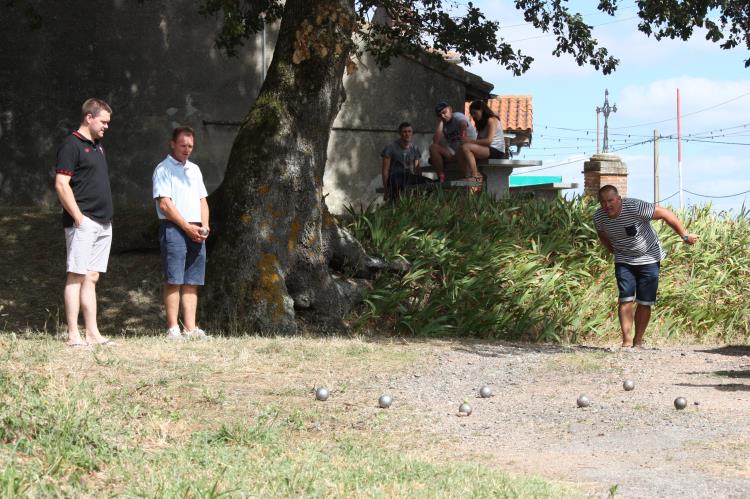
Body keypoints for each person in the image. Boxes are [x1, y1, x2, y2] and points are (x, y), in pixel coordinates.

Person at [594, 185, 698, 348]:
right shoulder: (599, 217)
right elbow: (602, 234)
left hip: (649, 256)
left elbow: (665, 213)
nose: (607, 205)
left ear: (618, 199)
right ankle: (627, 342)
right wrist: (612, 250)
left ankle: (638, 341)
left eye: (611, 200)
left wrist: (684, 235)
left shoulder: (635, 207)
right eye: (603, 202)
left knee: (644, 300)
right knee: (625, 298)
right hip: (623, 259)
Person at [54, 98, 115, 347]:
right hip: (84, 222)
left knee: (91, 278)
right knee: (76, 276)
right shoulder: (71, 145)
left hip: (103, 222)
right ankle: (73, 335)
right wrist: (78, 217)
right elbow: (61, 184)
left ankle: (92, 333)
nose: (106, 127)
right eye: (103, 121)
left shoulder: (98, 145)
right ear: (89, 118)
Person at [152, 126, 210, 340]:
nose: (187, 150)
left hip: (196, 229)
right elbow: (165, 204)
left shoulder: (194, 170)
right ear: (173, 144)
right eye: (183, 145)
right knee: (174, 279)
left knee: (192, 280)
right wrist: (186, 227)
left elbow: (203, 200)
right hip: (175, 228)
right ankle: (173, 328)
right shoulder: (163, 169)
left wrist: (204, 226)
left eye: (190, 146)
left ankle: (190, 327)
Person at [459, 100, 507, 186]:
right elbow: (478, 141)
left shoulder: (492, 120)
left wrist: (469, 141)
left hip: (496, 150)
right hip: (487, 150)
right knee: (461, 148)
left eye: (474, 113)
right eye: (471, 114)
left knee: (466, 147)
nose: (473, 116)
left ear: (481, 110)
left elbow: (488, 141)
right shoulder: (480, 124)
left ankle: (476, 176)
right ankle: (467, 175)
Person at [428, 101, 477, 182]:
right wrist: (441, 122)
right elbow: (435, 141)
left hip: (468, 150)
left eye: (444, 112)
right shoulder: (443, 123)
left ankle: (468, 177)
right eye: (440, 115)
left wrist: (459, 150)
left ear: (450, 109)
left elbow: (463, 127)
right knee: (433, 148)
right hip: (455, 153)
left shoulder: (457, 116)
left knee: (462, 147)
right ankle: (441, 177)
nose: (443, 116)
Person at [381, 122, 431, 199]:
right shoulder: (390, 148)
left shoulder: (414, 148)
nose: (407, 134)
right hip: (396, 176)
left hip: (409, 177)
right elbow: (385, 170)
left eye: (409, 131)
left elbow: (417, 169)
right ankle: (396, 204)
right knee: (397, 183)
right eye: (404, 132)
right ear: (400, 133)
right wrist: (386, 190)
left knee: (432, 184)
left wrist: (419, 182)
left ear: (412, 133)